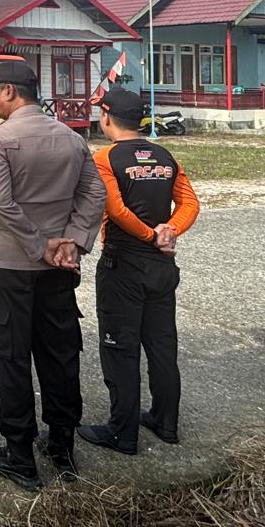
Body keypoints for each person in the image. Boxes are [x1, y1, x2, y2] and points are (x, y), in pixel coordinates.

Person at [0, 60, 106, 491]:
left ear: (10, 92)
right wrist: (72, 240)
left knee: (11, 356)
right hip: (60, 268)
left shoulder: (0, 138)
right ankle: (63, 445)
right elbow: (94, 192)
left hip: (14, 265)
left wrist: (38, 245)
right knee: (60, 353)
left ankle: (19, 455)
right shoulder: (70, 137)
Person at [77, 86, 200, 455]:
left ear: (107, 117)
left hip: (124, 266)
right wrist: (169, 231)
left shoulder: (105, 158)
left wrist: (150, 235)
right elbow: (190, 202)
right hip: (162, 266)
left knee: (121, 348)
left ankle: (122, 431)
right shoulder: (165, 156)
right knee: (162, 346)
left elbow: (115, 210)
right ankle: (166, 422)